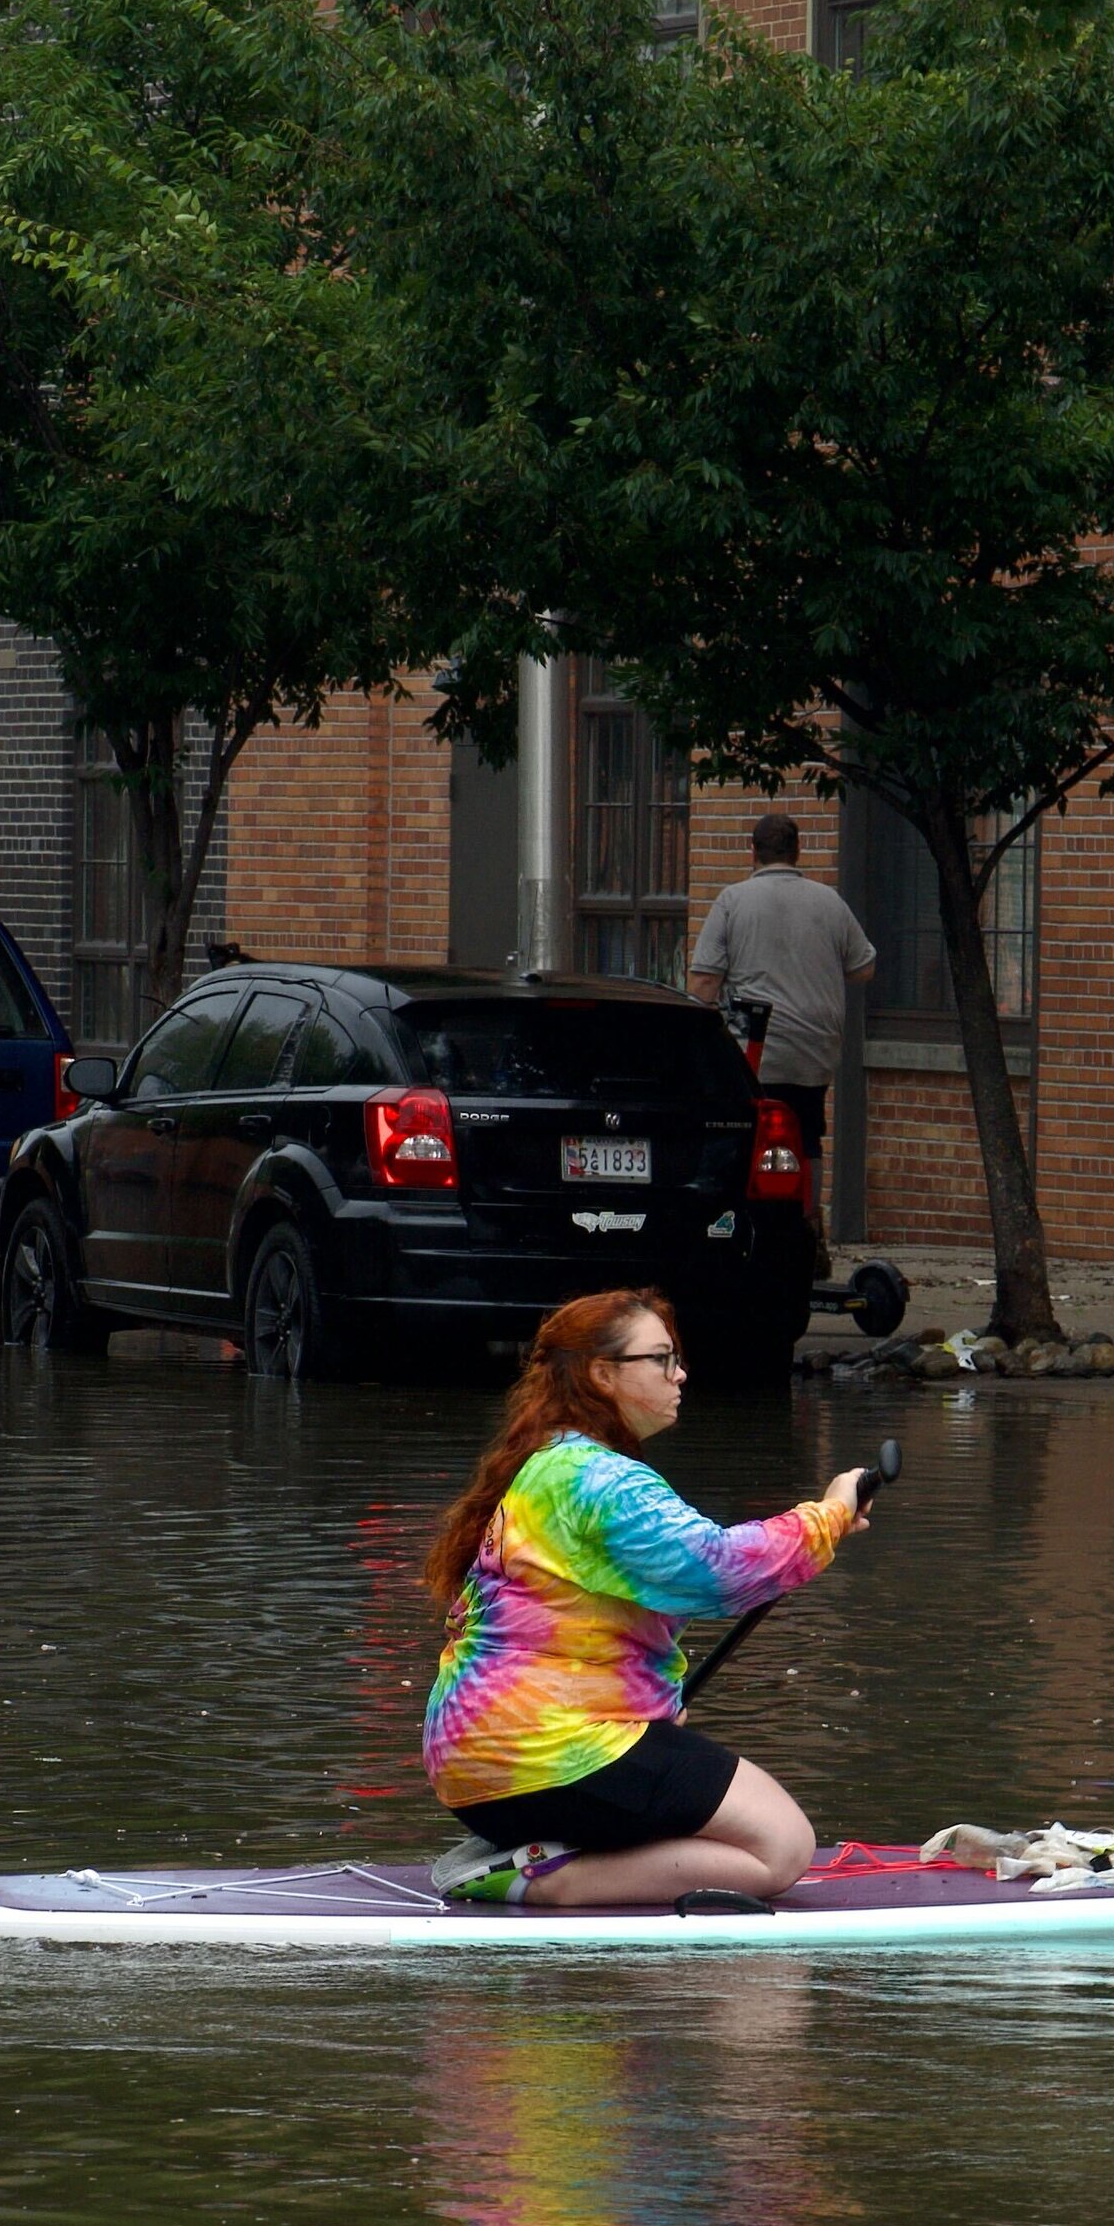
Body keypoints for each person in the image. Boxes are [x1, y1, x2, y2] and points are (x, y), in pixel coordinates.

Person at [421, 1286, 875, 1909]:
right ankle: (536, 1879)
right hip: (545, 1753)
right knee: (781, 1849)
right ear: (602, 1374)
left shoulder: (549, 1463)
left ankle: (537, 1854)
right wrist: (828, 1515)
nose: (680, 1374)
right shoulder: (600, 1480)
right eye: (660, 1359)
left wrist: (650, 1707)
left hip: (477, 1759)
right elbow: (717, 1571)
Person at [687, 812, 876, 1238]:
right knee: (807, 1134)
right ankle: (809, 1225)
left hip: (756, 1050)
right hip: (815, 1050)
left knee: (746, 1136)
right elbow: (864, 967)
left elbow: (703, 981)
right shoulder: (829, 902)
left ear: (751, 852)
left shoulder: (733, 901)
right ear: (798, 852)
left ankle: (744, 1222)